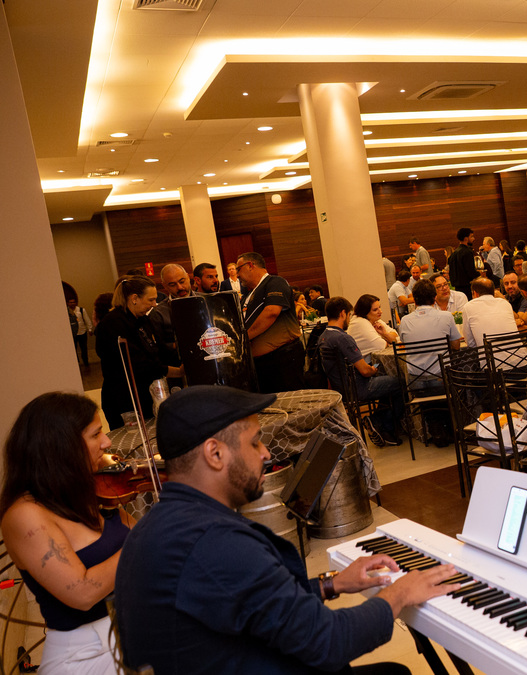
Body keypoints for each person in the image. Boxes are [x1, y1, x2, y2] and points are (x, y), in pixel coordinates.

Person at [115, 385, 458, 674]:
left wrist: (331, 584)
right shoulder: (215, 542)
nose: (266, 454)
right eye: (254, 442)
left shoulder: (157, 525)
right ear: (215, 454)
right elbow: (329, 642)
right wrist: (399, 594)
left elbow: (255, 603)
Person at [1, 393, 132, 675]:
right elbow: (82, 593)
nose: (107, 442)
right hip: (84, 657)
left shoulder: (86, 491)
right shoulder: (25, 515)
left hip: (132, 632)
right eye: (96, 434)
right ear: (61, 445)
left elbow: (138, 537)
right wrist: (147, 538)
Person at [95, 276, 182, 428]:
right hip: (124, 399)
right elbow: (138, 364)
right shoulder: (113, 323)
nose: (154, 304)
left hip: (147, 395)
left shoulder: (143, 320)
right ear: (134, 298)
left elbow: (161, 349)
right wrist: (176, 372)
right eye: (151, 300)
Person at [321, 297, 404, 445]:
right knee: (400, 383)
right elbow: (365, 371)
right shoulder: (342, 338)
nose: (349, 319)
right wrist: (373, 370)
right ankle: (384, 426)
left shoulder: (324, 336)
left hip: (340, 388)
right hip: (358, 387)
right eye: (349, 315)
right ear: (343, 313)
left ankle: (378, 421)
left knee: (388, 383)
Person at [237, 252, 304, 393]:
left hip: (282, 359)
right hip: (261, 364)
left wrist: (243, 338)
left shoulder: (275, 282)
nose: (237, 275)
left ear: (250, 265)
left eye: (239, 269)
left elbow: (271, 312)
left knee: (289, 402)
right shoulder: (248, 295)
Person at [399, 280, 462, 388]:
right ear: (435, 297)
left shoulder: (405, 320)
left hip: (415, 380)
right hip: (441, 377)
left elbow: (405, 344)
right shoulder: (446, 316)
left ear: (414, 300)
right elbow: (456, 346)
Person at [147, 263, 193, 362]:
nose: (180, 287)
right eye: (172, 285)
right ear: (165, 286)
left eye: (182, 281)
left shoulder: (205, 301)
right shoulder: (158, 313)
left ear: (188, 277)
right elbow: (158, 347)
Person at [460, 277, 520, 352]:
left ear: (475, 293)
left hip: (490, 358)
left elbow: (470, 343)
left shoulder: (468, 306)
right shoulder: (505, 303)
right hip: (520, 356)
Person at [68, 296, 93, 366]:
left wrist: (90, 329)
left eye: (73, 302)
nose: (72, 304)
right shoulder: (66, 311)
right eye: (70, 302)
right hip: (72, 334)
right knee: (73, 350)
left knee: (84, 349)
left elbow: (87, 320)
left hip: (82, 333)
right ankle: (76, 363)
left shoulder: (81, 310)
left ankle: (86, 363)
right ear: (68, 303)